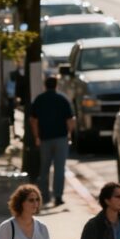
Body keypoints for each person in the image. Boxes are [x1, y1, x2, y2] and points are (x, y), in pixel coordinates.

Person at [29, 76, 74, 207]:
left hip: (44, 139)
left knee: (44, 168)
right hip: (61, 138)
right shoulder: (63, 99)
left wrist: (36, 136)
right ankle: (58, 196)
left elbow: (33, 120)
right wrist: (69, 134)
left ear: (45, 85)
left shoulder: (39, 99)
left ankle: (44, 196)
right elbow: (70, 120)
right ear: (56, 85)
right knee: (60, 168)